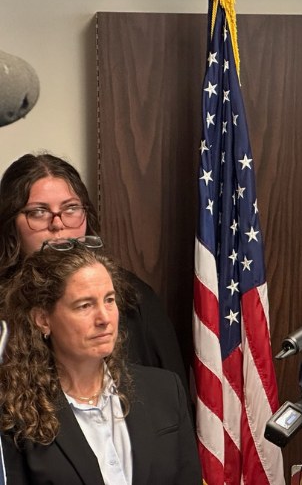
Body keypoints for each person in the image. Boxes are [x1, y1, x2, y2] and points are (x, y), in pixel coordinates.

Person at [0, 240, 200, 484]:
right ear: (43, 320)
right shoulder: (13, 413)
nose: (104, 318)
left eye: (109, 300)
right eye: (85, 305)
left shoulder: (165, 390)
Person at [0, 153, 188, 391]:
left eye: (70, 209)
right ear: (10, 224)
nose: (57, 224)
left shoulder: (134, 299)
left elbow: (170, 404)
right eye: (39, 212)